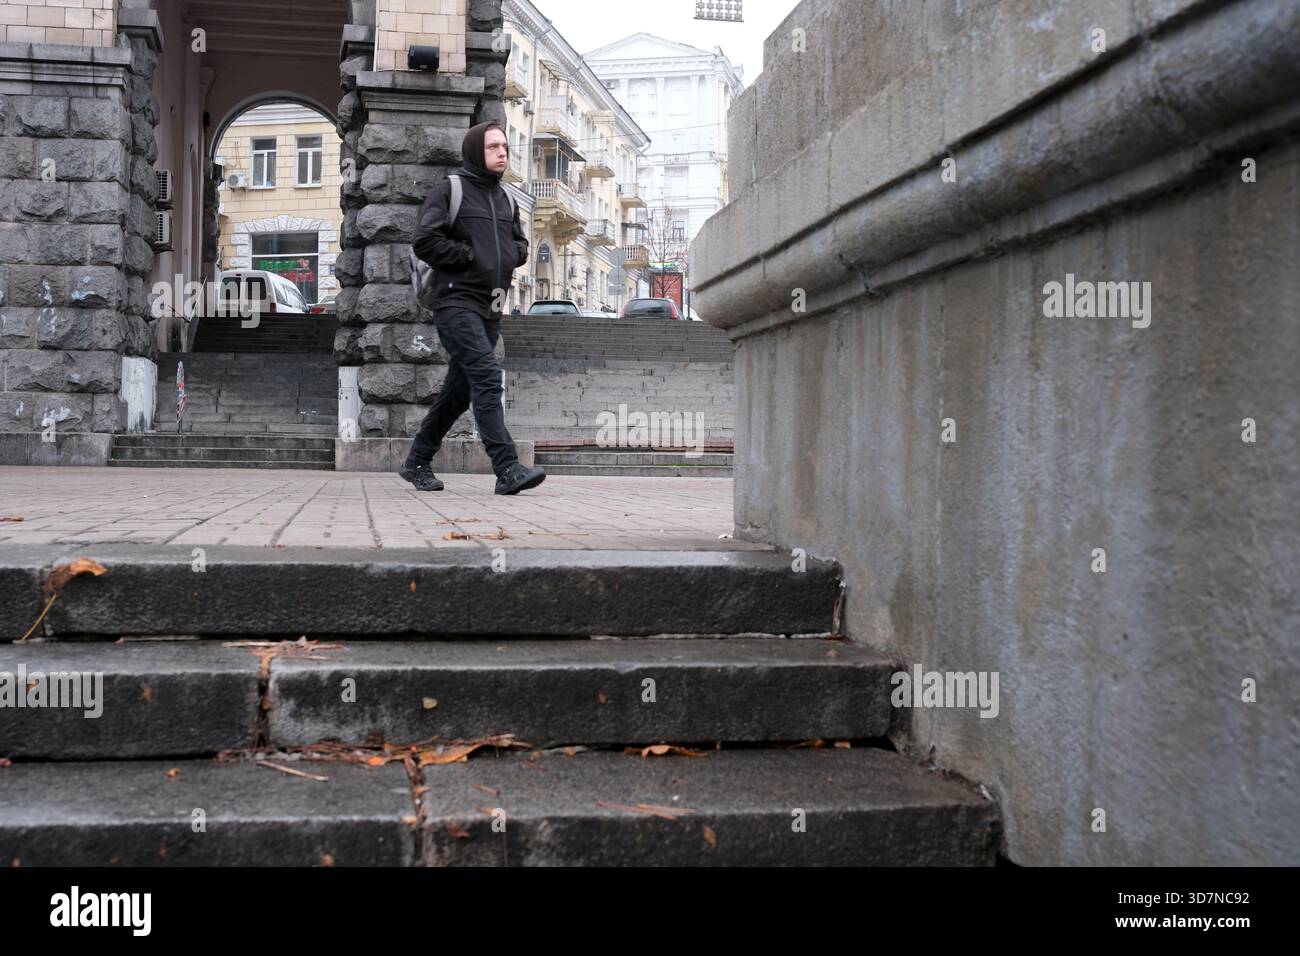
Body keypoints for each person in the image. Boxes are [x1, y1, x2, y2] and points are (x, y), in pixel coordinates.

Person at [400, 121, 546, 496]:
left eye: (506, 147)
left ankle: (417, 459)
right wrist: (465, 255)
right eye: (494, 147)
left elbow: (520, 243)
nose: (502, 153)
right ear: (474, 151)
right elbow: (424, 240)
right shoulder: (451, 190)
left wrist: (516, 254)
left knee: (458, 392)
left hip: (491, 306)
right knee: (486, 376)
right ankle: (507, 468)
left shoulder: (507, 199)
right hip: (455, 301)